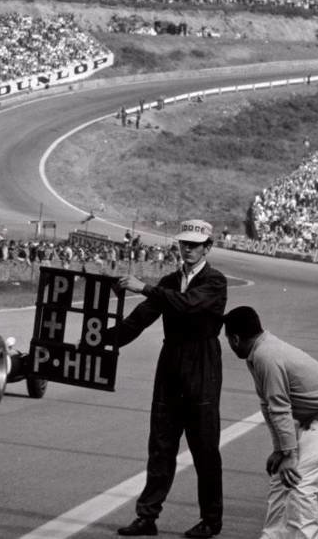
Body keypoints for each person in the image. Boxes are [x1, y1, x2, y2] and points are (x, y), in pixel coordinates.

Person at [109, 219, 227, 538]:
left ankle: (211, 521)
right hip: (171, 364)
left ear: (208, 247)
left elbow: (189, 306)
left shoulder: (215, 281)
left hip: (202, 367)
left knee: (204, 449)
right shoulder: (170, 281)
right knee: (160, 445)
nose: (188, 249)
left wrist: (146, 288)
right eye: (184, 243)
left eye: (195, 244)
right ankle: (147, 517)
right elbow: (139, 321)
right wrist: (101, 339)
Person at [223, 305, 318, 538]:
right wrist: (281, 450)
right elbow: (268, 406)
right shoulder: (259, 351)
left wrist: (290, 454)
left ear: (235, 339)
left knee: (300, 482)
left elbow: (280, 408)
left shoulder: (266, 356)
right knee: (282, 476)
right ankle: (272, 536)